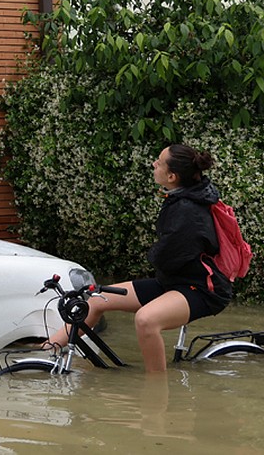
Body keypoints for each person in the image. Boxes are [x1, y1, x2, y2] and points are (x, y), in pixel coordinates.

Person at [44, 142, 233, 372]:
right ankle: (46, 350)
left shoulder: (188, 210)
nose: (154, 164)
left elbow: (167, 256)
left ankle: (155, 391)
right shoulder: (182, 197)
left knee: (146, 320)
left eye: (159, 162)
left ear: (172, 176)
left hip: (201, 289)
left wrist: (154, 253)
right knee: (96, 299)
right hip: (173, 282)